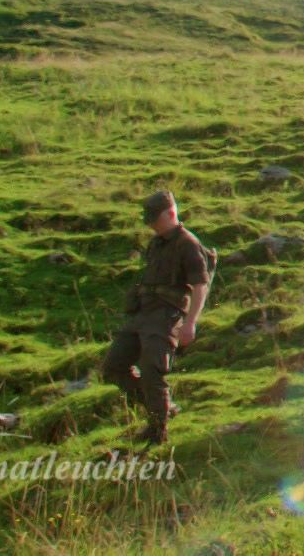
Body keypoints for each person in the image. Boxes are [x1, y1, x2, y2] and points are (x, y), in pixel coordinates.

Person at [102, 190, 211, 446]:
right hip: (142, 313)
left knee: (152, 371)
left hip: (166, 316)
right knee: (113, 367)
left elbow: (200, 286)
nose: (150, 223)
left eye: (154, 218)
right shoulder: (156, 243)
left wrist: (190, 323)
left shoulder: (188, 244)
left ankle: (158, 429)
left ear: (170, 213)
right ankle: (163, 407)